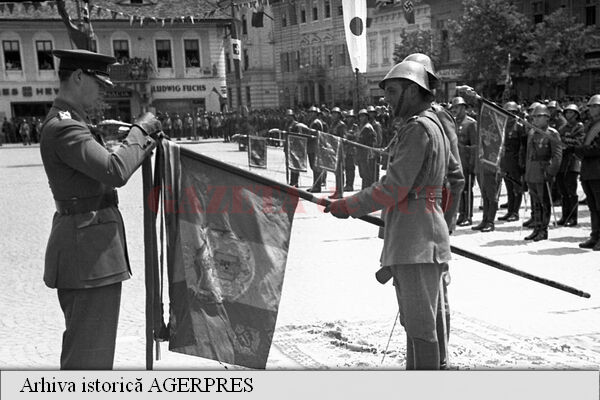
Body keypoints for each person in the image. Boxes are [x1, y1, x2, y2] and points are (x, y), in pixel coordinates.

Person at [325, 60, 463, 370]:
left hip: (414, 240)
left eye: (392, 92)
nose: (386, 100)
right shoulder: (434, 123)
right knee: (430, 317)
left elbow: (392, 188)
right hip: (425, 231)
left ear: (413, 91)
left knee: (419, 324)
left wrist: (346, 206)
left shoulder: (417, 128)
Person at [39, 49, 160, 370]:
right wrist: (141, 131)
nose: (103, 90)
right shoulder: (65, 127)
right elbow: (114, 170)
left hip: (92, 253)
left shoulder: (73, 122)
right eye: (98, 82)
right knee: (88, 360)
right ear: (78, 77)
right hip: (87, 258)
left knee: (94, 355)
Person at [523, 104, 562, 241]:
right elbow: (528, 154)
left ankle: (543, 230)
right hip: (532, 171)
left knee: (544, 202)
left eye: (539, 116)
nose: (535, 119)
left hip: (543, 171)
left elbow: (557, 156)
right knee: (535, 202)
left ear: (547, 118)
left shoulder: (552, 133)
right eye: (534, 116)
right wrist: (526, 172)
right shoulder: (532, 132)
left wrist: (550, 172)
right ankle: (536, 227)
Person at [574, 94, 600, 250]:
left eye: (595, 106)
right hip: (588, 171)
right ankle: (595, 235)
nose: (591, 109)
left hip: (598, 171)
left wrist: (581, 149)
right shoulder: (590, 125)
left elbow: (597, 149)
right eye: (590, 106)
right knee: (593, 206)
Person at [498, 101, 527, 222]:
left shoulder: (520, 126)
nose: (510, 115)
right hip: (505, 160)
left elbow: (524, 146)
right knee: (509, 188)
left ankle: (515, 212)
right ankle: (510, 211)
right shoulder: (502, 126)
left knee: (517, 188)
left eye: (513, 112)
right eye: (508, 112)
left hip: (516, 160)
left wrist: (522, 163)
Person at [451, 96, 478, 226]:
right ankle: (461, 214)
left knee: (467, 189)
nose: (454, 110)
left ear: (463, 108)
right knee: (459, 189)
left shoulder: (471, 123)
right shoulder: (453, 122)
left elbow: (475, 146)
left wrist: (472, 163)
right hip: (456, 161)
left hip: (466, 161)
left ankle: (468, 215)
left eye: (457, 107)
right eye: (453, 107)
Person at [556, 104, 584, 226]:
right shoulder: (563, 127)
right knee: (563, 190)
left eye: (570, 113)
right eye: (566, 113)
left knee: (571, 190)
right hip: (563, 161)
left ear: (576, 114)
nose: (568, 115)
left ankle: (573, 217)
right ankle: (565, 215)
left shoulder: (580, 127)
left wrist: (566, 141)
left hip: (573, 161)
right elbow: (557, 139)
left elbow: (579, 142)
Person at [355, 109, 377, 190]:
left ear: (367, 117)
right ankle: (365, 190)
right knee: (363, 174)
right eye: (360, 116)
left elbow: (362, 140)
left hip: (366, 153)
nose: (361, 118)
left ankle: (366, 190)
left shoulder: (367, 127)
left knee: (366, 174)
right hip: (362, 153)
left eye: (363, 116)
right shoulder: (362, 127)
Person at [328, 107, 347, 199]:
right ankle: (337, 190)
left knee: (339, 171)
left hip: (340, 151)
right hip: (333, 150)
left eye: (336, 113)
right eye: (332, 113)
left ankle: (340, 192)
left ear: (339, 115)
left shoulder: (341, 125)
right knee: (336, 172)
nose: (333, 115)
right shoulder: (332, 124)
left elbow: (343, 138)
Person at [306, 106, 325, 193]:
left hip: (314, 147)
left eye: (311, 112)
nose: (309, 114)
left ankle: (317, 186)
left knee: (315, 167)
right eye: (309, 112)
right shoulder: (314, 122)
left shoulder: (316, 123)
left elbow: (314, 135)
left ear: (315, 114)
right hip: (313, 147)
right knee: (314, 167)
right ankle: (315, 185)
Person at [283, 108, 300, 187]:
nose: (288, 117)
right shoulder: (287, 124)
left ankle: (295, 181)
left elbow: (298, 136)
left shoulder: (296, 124)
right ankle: (291, 181)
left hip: (295, 147)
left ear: (293, 116)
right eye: (287, 116)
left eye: (289, 116)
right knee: (289, 164)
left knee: (295, 165)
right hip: (288, 146)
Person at [343, 109, 358, 191]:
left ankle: (350, 185)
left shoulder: (355, 127)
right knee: (347, 168)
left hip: (352, 150)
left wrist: (348, 135)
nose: (349, 119)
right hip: (346, 150)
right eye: (348, 117)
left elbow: (356, 136)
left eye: (351, 117)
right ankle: (347, 183)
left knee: (351, 168)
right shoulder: (345, 126)